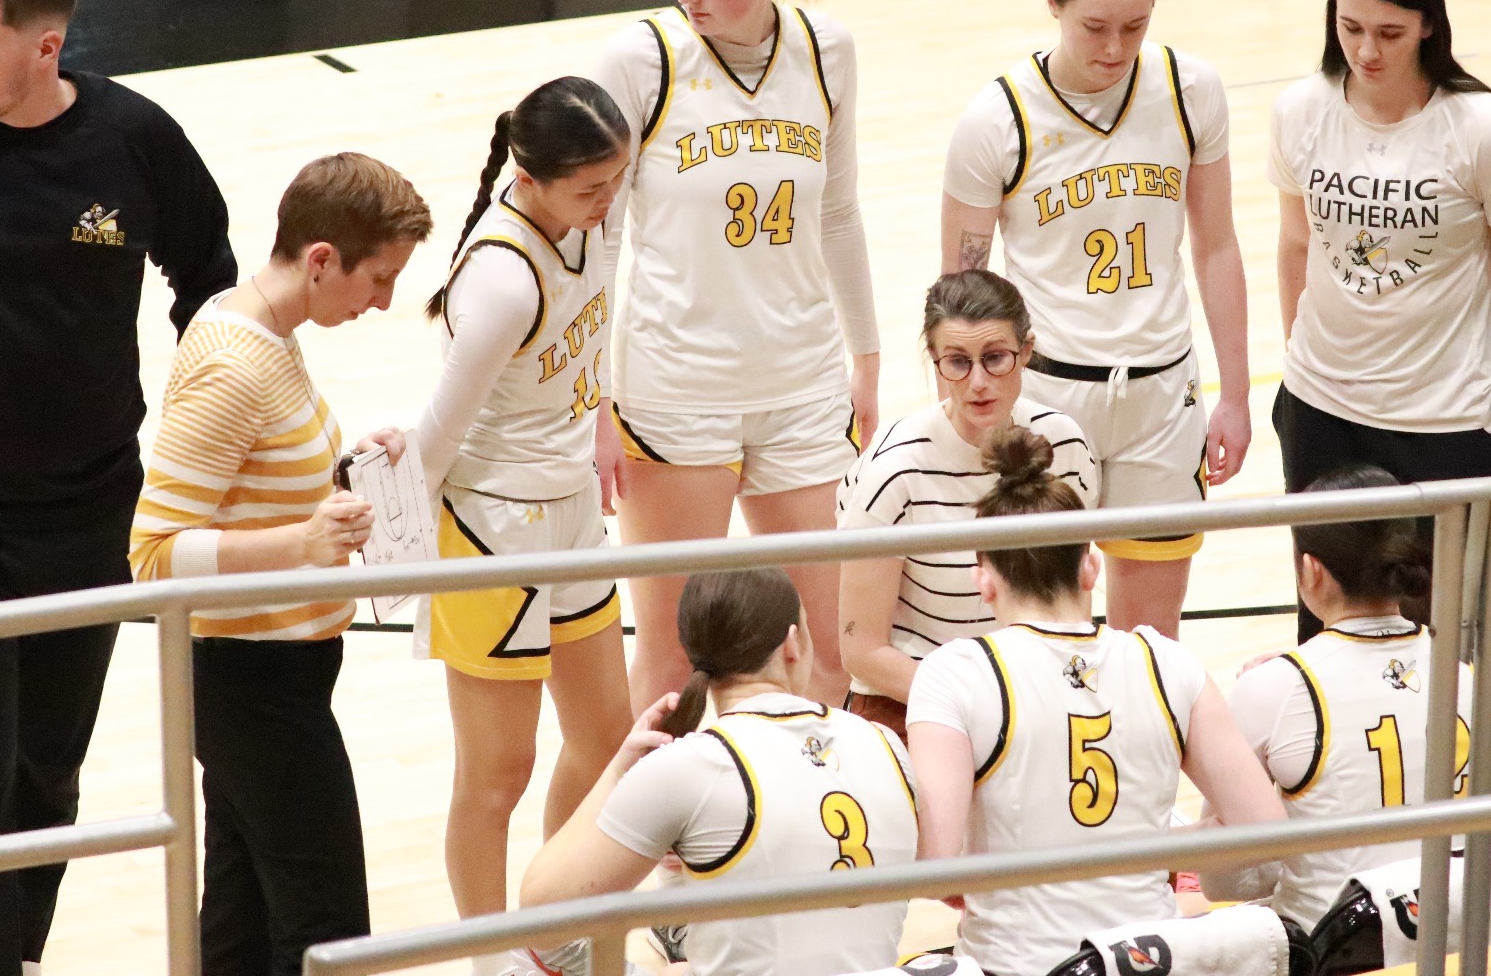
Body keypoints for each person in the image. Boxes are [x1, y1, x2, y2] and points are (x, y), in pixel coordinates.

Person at [0, 0, 236, 976]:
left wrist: (200, 433)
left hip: (92, 509)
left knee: (47, 769)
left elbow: (207, 280)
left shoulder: (133, 139)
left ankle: (19, 947)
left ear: (46, 48)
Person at [128, 153, 432, 974]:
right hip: (251, 685)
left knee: (241, 915)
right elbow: (153, 555)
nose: (386, 301)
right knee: (328, 926)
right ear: (322, 258)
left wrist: (351, 470)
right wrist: (300, 544)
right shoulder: (234, 366)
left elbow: (256, 482)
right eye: (379, 278)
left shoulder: (270, 331)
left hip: (274, 674)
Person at [593, 0, 879, 710]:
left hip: (800, 381)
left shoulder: (827, 52)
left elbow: (839, 212)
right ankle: (671, 845)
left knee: (819, 653)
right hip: (678, 388)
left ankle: (817, 832)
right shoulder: (642, 59)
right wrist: (593, 399)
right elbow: (596, 236)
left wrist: (866, 357)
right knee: (676, 666)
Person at [941, 0, 1251, 637]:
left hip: (1160, 394)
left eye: (1135, 26)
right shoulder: (997, 118)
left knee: (1151, 641)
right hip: (1048, 391)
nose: (1115, 48)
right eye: (1096, 26)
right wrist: (963, 414)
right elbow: (961, 289)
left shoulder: (1189, 89)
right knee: (1040, 630)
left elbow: (1217, 246)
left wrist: (1235, 393)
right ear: (1052, 2)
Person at [399, 78, 634, 972]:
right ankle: (489, 957)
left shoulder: (589, 220)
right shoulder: (498, 278)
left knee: (606, 738)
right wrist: (388, 550)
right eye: (591, 187)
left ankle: (551, 920)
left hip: (571, 510)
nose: (609, 200)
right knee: (498, 772)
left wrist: (601, 411)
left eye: (615, 180)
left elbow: (594, 321)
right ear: (530, 179)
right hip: (492, 529)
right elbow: (433, 439)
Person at [906, 427, 1283, 976]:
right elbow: (1263, 829)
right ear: (1090, 566)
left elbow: (934, 866)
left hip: (1016, 966)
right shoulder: (1166, 663)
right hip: (1148, 961)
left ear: (983, 579)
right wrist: (1153, 849)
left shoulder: (955, 673)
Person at [1269, 0, 1491, 644]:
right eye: (1352, 28)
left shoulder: (1485, 130)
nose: (1368, 51)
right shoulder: (1300, 110)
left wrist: (1477, 359)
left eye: (1390, 32)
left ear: (1429, 24)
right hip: (1323, 411)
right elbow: (1297, 241)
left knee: (1454, 642)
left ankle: (1487, 764)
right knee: (1329, 630)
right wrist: (1308, 359)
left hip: (1445, 423)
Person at [520, 568, 918, 976]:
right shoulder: (886, 741)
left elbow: (539, 916)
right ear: (793, 644)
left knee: (527, 958)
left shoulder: (689, 767)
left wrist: (617, 773)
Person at [1207, 464, 1473, 927]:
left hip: (1334, 946)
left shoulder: (1274, 686)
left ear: (1311, 570)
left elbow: (1222, 882)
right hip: (1451, 925)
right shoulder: (1463, 676)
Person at [838, 269, 1098, 736]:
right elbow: (861, 651)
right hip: (912, 697)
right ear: (935, 361)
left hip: (1031, 692)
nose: (978, 381)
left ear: (1027, 354)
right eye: (957, 362)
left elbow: (1072, 601)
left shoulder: (1068, 446)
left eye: (996, 358)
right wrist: (978, 703)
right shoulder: (893, 470)